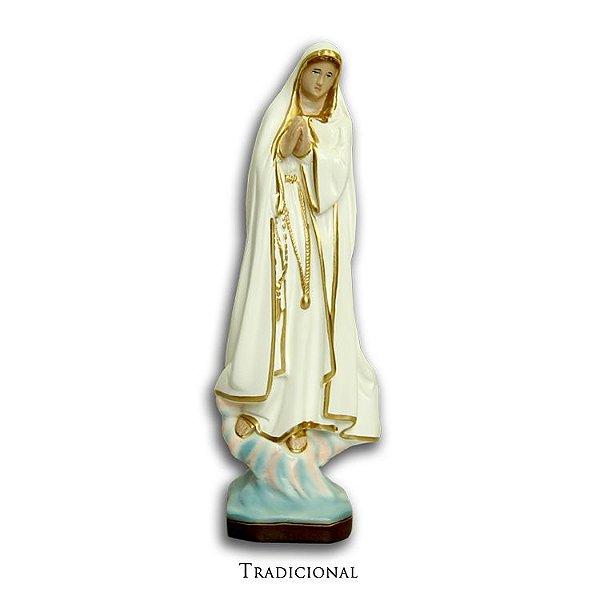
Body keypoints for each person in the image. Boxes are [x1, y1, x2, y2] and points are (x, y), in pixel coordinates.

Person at [215, 42, 380, 453]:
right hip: (278, 239)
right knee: (273, 319)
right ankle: (258, 408)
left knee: (308, 329)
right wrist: (283, 151)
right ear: (302, 72)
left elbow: (336, 183)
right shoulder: (277, 116)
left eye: (329, 76)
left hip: (318, 246)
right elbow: (260, 173)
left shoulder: (339, 125)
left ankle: (300, 417)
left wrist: (310, 154)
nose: (321, 82)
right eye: (316, 72)